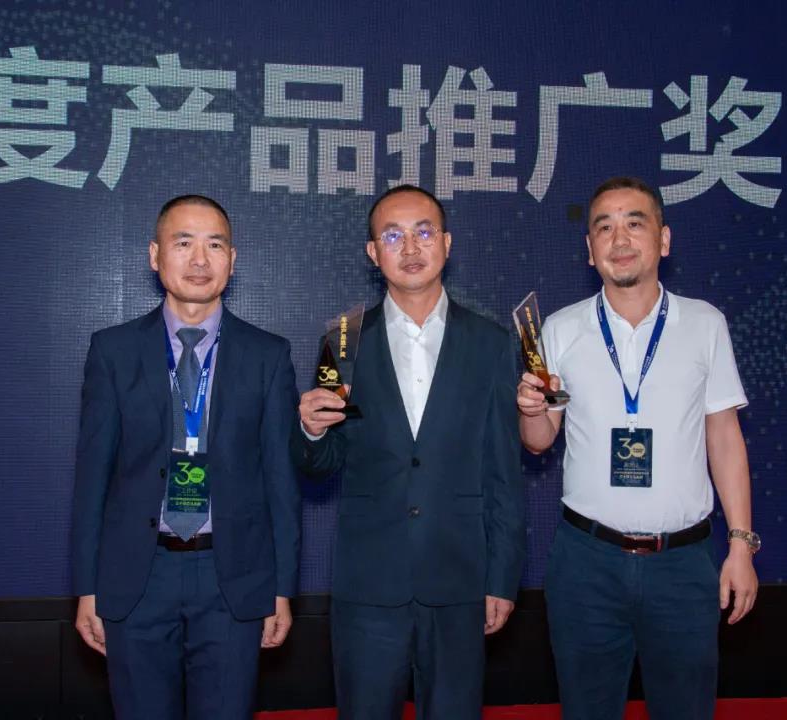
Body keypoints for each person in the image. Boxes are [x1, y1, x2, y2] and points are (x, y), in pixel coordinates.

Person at [518, 177, 760, 720]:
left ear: (663, 239)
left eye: (635, 223)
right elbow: (538, 442)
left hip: (683, 565)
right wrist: (530, 410)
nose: (619, 238)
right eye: (604, 227)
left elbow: (724, 438)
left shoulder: (705, 323)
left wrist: (741, 546)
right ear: (590, 249)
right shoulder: (559, 329)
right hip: (586, 563)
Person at [291, 184, 525, 720]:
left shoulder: (489, 343)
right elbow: (319, 466)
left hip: (461, 580)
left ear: (447, 243)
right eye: (393, 236)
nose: (411, 248)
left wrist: (502, 578)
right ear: (373, 253)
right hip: (369, 585)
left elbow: (503, 472)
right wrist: (311, 431)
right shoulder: (343, 340)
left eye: (424, 232)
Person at [70, 195, 300, 720]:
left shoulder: (269, 355)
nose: (200, 259)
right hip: (136, 575)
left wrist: (282, 589)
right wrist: (86, 587)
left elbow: (281, 482)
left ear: (232, 260)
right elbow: (91, 479)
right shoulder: (112, 351)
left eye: (214, 245)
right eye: (183, 243)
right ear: (155, 255)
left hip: (233, 577)